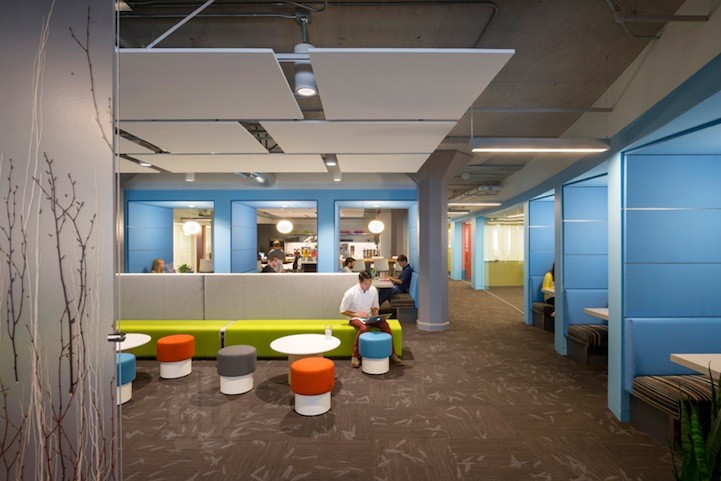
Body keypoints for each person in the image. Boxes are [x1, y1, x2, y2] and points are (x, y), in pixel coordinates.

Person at [340, 270, 404, 368]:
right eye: (366, 283)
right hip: (355, 318)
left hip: (369, 317)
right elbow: (342, 310)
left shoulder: (373, 290)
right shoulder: (351, 293)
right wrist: (357, 314)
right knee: (364, 328)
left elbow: (375, 305)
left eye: (370, 283)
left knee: (385, 325)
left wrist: (375, 313)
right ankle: (355, 356)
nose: (369, 286)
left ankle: (392, 353)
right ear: (360, 282)